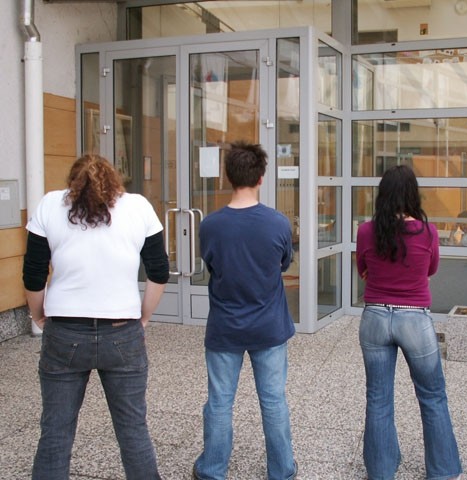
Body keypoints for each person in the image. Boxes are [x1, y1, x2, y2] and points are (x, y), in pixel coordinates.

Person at [22, 154, 170, 480]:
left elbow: (33, 275)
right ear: (114, 179)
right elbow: (159, 271)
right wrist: (142, 317)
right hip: (123, 331)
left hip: (64, 330)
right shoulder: (138, 207)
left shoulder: (49, 205)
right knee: (133, 430)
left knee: (55, 432)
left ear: (72, 182)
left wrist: (40, 318)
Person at [193, 141, 297, 480]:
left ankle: (212, 470)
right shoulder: (279, 224)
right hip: (269, 326)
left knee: (220, 403)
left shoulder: (210, 225)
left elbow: (210, 264)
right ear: (261, 178)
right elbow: (283, 264)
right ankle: (281, 471)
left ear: (227, 177)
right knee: (273, 401)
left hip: (225, 327)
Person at [356, 165, 462, 480]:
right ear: (412, 194)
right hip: (414, 318)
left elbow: (363, 268)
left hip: (374, 316)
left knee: (378, 396)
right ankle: (442, 471)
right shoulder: (427, 231)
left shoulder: (366, 230)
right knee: (432, 396)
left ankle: (381, 471)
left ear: (383, 195)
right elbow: (430, 269)